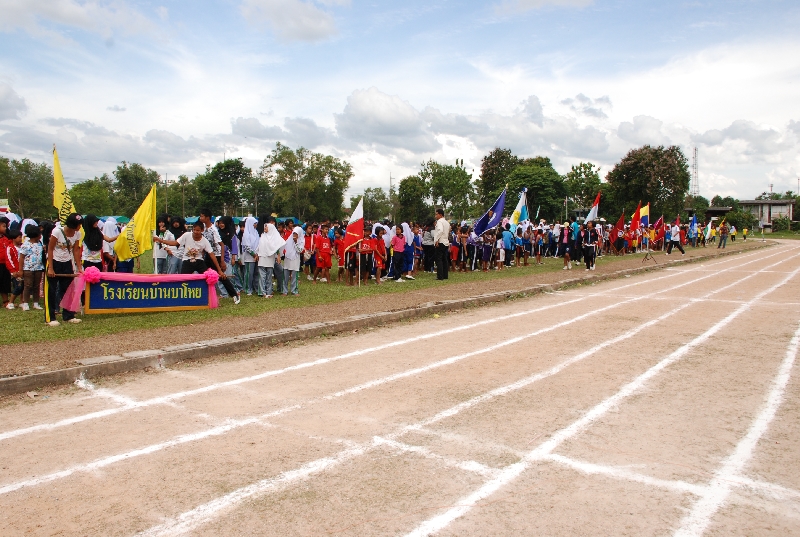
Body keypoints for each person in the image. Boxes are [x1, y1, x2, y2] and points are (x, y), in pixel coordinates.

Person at [45, 213, 84, 326]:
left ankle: (68, 315)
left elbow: (76, 250)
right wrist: (51, 268)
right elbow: (50, 249)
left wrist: (79, 267)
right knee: (51, 291)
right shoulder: (57, 231)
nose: (80, 227)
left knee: (68, 290)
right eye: (78, 225)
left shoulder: (77, 234)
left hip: (67, 263)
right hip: (54, 261)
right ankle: (50, 317)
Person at [197, 209, 240, 303]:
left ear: (207, 218)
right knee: (204, 274)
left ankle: (234, 294)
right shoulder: (204, 228)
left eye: (202, 216)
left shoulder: (213, 230)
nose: (200, 218)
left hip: (216, 256)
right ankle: (206, 296)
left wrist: (222, 260)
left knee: (221, 276)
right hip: (208, 255)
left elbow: (222, 245)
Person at [254, 220, 286, 298]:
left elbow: (277, 247)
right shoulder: (263, 236)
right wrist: (256, 254)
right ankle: (262, 292)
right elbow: (259, 246)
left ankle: (269, 291)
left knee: (269, 276)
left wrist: (278, 256)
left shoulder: (274, 238)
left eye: (266, 227)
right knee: (262, 276)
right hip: (262, 258)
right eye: (265, 227)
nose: (265, 228)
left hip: (270, 259)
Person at [19, 225, 44, 311]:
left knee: (36, 285)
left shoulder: (40, 244)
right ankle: (25, 303)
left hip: (38, 268)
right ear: (36, 235)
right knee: (27, 285)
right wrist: (21, 270)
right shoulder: (25, 245)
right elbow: (21, 257)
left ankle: (36, 303)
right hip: (28, 268)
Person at [282, 226, 304, 296]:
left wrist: (296, 242)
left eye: (296, 234)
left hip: (295, 259)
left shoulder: (301, 241)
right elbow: (284, 247)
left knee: (294, 275)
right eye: (294, 233)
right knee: (285, 275)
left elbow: (299, 250)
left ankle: (294, 290)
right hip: (288, 258)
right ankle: (284, 291)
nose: (294, 235)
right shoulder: (289, 240)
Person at [5, 229, 23, 309]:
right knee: (18, 286)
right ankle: (10, 302)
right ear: (14, 238)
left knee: (23, 286)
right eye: (19, 237)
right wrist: (13, 271)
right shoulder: (10, 248)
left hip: (22, 270)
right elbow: (8, 260)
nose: (21, 239)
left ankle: (22, 301)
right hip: (15, 271)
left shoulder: (22, 246)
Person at [433, 208, 449, 280]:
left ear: (440, 215)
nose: (435, 216)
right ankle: (445, 275)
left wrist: (436, 240)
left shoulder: (439, 222)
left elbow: (440, 231)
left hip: (440, 242)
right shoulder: (446, 222)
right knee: (444, 259)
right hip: (446, 242)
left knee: (438, 259)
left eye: (436, 214)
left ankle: (440, 276)